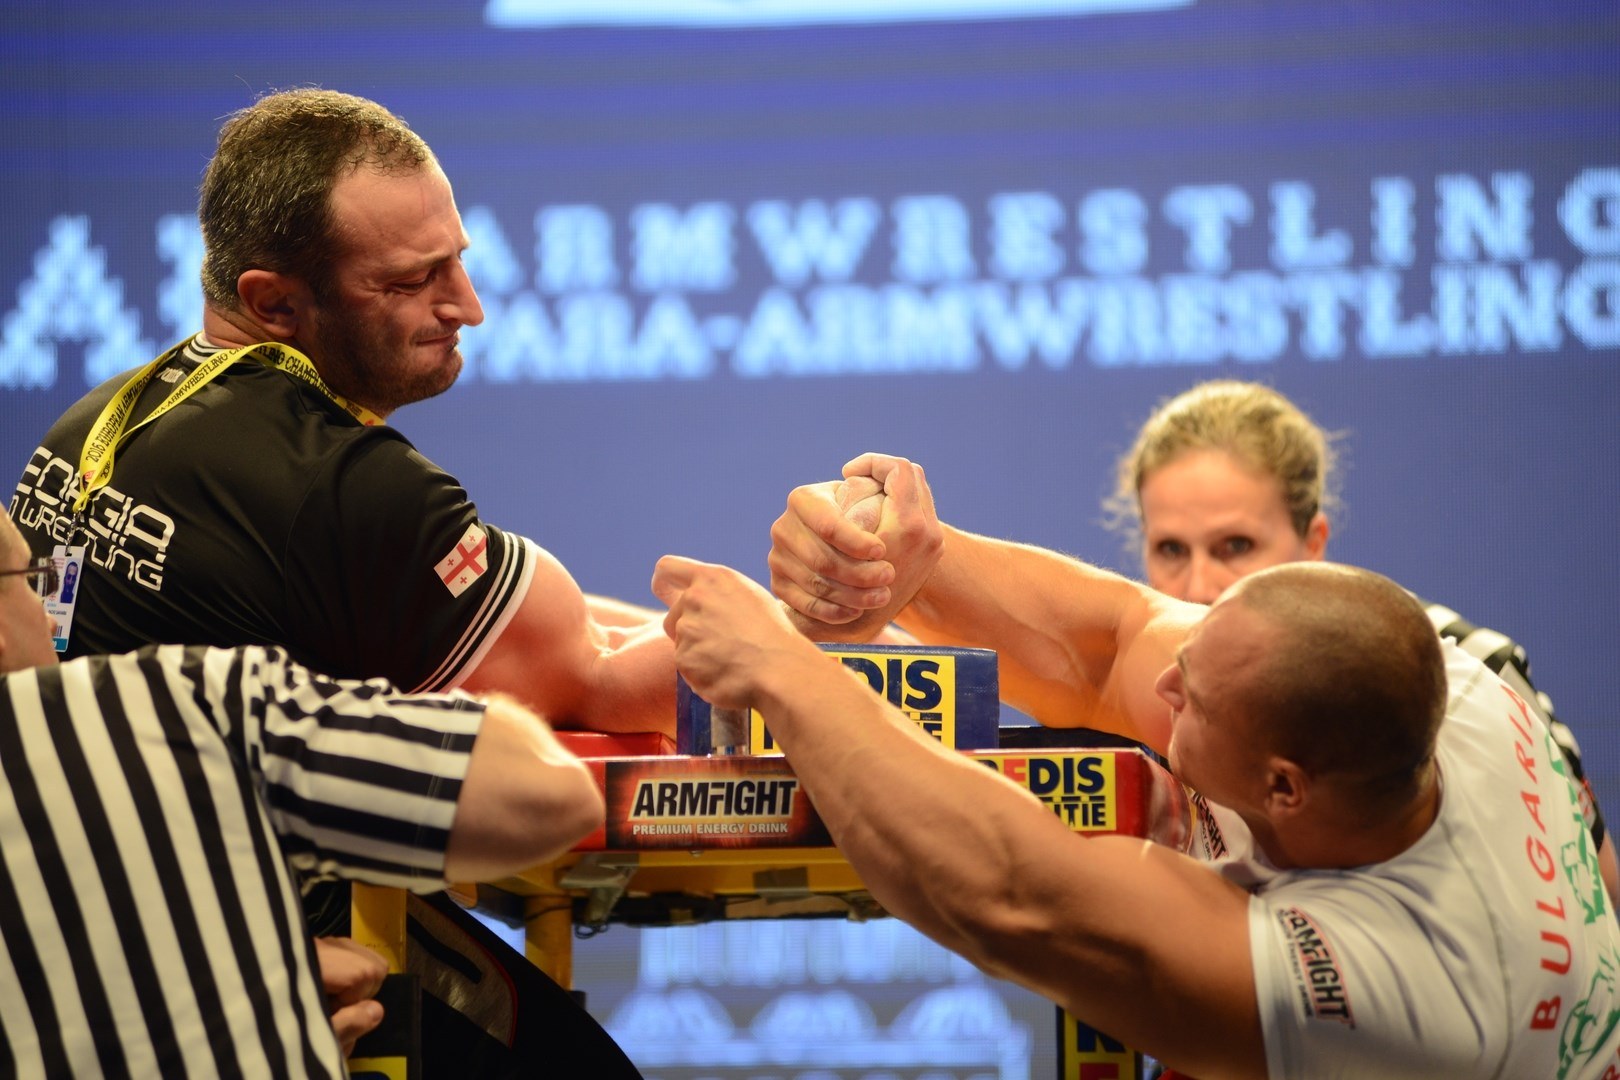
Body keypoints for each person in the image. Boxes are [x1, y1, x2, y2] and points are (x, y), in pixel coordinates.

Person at [4, 87, 669, 1067]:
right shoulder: (344, 489)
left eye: (459, 262)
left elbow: (531, 629)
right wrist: (823, 618)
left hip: (77, 941)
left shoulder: (101, 421)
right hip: (247, 971)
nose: (467, 308)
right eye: (411, 281)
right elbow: (608, 684)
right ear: (275, 302)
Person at [660, 453, 1620, 1078]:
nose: (1162, 700)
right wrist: (907, 561)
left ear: (1285, 786)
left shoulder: (1413, 995)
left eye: (1190, 704)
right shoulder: (1437, 683)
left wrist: (785, 669)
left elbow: (1008, 893)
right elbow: (1114, 644)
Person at [0, 511, 608, 1077]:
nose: (49, 612)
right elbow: (550, 795)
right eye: (30, 580)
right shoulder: (172, 699)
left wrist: (248, 980)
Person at [1105, 379, 1618, 895]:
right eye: (1171, 550)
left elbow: (1594, 893)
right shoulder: (1134, 703)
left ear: (1313, 542)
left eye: (1235, 545)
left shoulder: (1470, 667)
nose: (1198, 585)